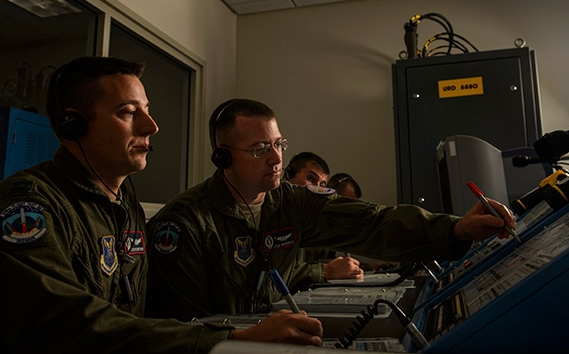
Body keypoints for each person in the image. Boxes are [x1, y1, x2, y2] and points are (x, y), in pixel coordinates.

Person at [0, 58, 322, 354]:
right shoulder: (30, 206)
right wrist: (228, 341)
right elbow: (67, 327)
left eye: (147, 110)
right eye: (128, 112)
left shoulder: (126, 203)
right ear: (73, 125)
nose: (151, 126)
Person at [146, 98, 516, 323]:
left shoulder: (292, 202)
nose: (277, 159)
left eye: (279, 144)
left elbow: (372, 222)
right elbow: (185, 325)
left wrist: (455, 230)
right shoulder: (184, 223)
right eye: (261, 149)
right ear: (222, 157)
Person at [285, 153, 363, 284]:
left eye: (321, 184)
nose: (316, 189)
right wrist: (326, 271)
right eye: (310, 178)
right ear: (288, 175)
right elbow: (272, 277)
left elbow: (322, 260)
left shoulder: (305, 219)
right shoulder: (273, 213)